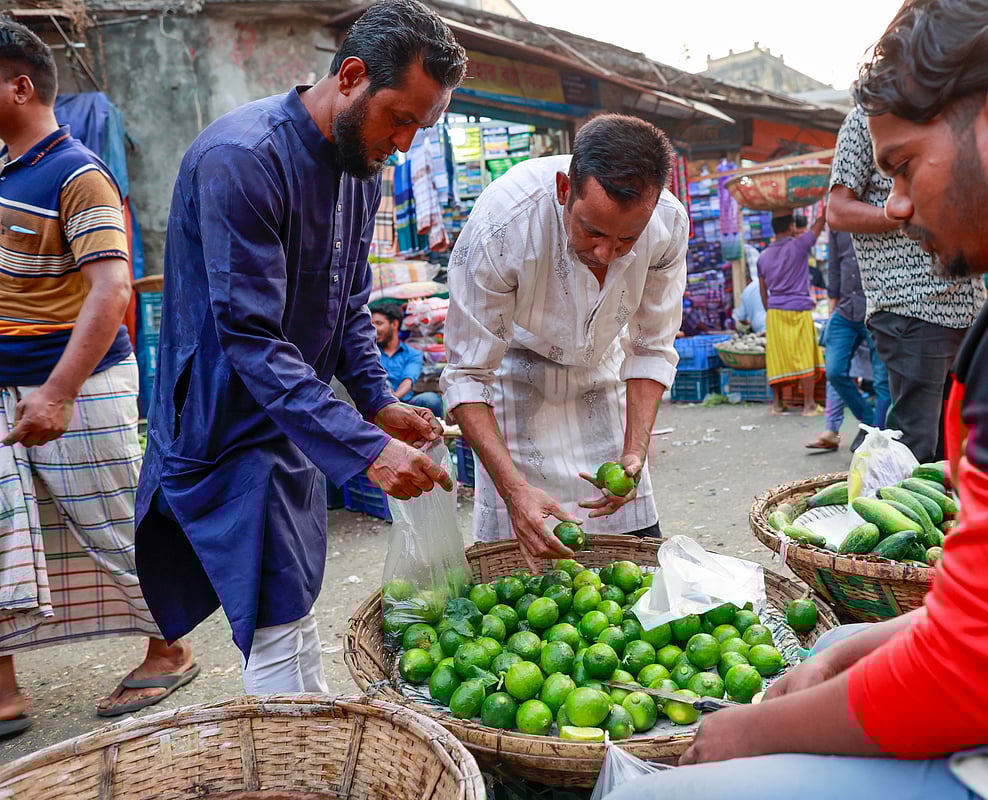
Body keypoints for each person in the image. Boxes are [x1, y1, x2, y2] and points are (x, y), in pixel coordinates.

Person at [607, 1, 988, 798]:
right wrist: (893, 632)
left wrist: (744, 732)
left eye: (904, 164)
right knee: (829, 669)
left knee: (665, 790)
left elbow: (979, 675)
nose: (892, 207)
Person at [134, 0, 464, 695]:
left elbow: (344, 301)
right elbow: (251, 338)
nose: (403, 143)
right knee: (276, 612)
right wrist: (368, 451)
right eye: (398, 117)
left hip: (292, 420)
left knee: (291, 602)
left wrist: (377, 403)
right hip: (226, 424)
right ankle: (290, 757)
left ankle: (297, 739)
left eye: (419, 128)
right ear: (350, 76)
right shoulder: (244, 159)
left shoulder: (359, 171)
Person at [0, 19, 196, 735]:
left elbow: (112, 291)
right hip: (8, 385)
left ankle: (169, 649)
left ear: (20, 86)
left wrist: (57, 390)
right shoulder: (5, 167)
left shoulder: (76, 173)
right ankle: (2, 684)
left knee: (117, 526)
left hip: (76, 388)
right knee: (6, 536)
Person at [441, 114, 688, 571]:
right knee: (517, 574)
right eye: (592, 231)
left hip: (604, 380)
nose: (605, 253)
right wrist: (513, 490)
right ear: (563, 190)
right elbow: (468, 376)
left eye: (626, 239)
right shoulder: (502, 226)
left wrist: (634, 451)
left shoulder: (668, 225)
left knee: (634, 572)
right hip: (515, 383)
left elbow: (652, 347)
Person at [827, 100, 987, 461]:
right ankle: (902, 514)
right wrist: (903, 213)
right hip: (911, 305)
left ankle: (955, 518)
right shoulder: (864, 120)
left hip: (968, 305)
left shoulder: (947, 116)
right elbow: (837, 210)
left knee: (958, 443)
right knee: (917, 447)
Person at [806, 229, 889, 450]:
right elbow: (834, 267)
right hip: (845, 310)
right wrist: (832, 307)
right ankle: (869, 419)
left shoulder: (878, 213)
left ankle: (878, 437)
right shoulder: (837, 224)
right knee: (834, 370)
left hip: (876, 310)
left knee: (882, 380)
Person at [758, 212, 826, 415]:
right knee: (804, 354)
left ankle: (777, 404)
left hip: (775, 311)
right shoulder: (799, 245)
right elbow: (819, 225)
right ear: (791, 227)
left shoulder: (763, 256)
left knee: (778, 357)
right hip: (798, 309)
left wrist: (770, 311)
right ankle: (809, 405)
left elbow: (764, 293)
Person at [370, 300, 444, 417]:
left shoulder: (412, 354)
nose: (374, 329)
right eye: (371, 324)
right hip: (377, 404)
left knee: (431, 399)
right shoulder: (370, 352)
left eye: (379, 323)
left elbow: (409, 380)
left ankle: (436, 433)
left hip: (404, 402)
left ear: (394, 324)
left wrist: (392, 400)